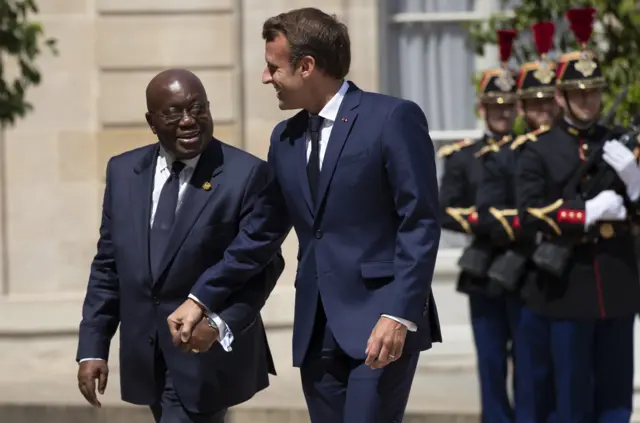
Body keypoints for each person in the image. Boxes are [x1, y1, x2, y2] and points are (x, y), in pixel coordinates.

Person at [261, 7, 441, 423]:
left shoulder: (392, 118)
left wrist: (399, 314)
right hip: (316, 330)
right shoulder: (283, 138)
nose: (266, 78)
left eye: (273, 67)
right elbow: (263, 232)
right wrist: (207, 300)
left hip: (381, 324)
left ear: (306, 66)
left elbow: (420, 221)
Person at [76, 68, 286, 423]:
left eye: (198, 109)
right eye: (173, 112)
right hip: (145, 355)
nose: (189, 121)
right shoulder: (123, 172)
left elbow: (263, 265)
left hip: (205, 354)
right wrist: (92, 348)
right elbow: (109, 265)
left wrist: (219, 324)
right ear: (152, 121)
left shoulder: (246, 174)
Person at [514, 8, 640, 422]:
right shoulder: (538, 149)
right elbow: (529, 215)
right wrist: (583, 213)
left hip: (617, 281)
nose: (588, 99)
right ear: (561, 96)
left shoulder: (619, 142)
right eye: (579, 92)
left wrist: (635, 185)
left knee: (617, 395)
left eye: (594, 91)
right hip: (566, 288)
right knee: (571, 394)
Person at [439, 29, 519, 423]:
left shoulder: (529, 152)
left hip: (528, 268)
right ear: (482, 108)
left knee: (530, 359)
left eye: (509, 107)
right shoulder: (463, 157)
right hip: (485, 268)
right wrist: (482, 221)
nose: (503, 114)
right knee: (490, 360)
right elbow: (442, 208)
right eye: (495, 106)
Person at [503, 21, 560, 423]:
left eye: (548, 102)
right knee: (530, 366)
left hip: (569, 268)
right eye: (533, 104)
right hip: (524, 269)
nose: (542, 111)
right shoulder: (511, 152)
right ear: (522, 107)